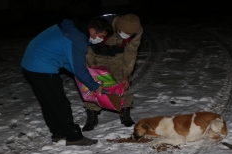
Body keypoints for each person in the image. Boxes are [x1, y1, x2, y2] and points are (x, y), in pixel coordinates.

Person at [21, 17, 113, 146]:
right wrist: (94, 86)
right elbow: (79, 70)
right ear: (92, 31)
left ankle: (58, 134)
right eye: (101, 36)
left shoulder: (72, 30)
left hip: (31, 63)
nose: (101, 40)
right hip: (41, 67)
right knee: (60, 103)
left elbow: (67, 60)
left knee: (48, 102)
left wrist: (81, 73)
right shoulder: (77, 39)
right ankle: (73, 137)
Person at [82, 14, 143, 131]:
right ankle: (92, 116)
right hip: (96, 55)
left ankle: (125, 113)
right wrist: (92, 65)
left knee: (122, 83)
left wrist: (126, 74)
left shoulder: (137, 30)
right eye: (125, 32)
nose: (128, 36)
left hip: (118, 57)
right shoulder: (101, 24)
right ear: (118, 27)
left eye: (131, 34)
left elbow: (131, 52)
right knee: (93, 85)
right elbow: (87, 47)